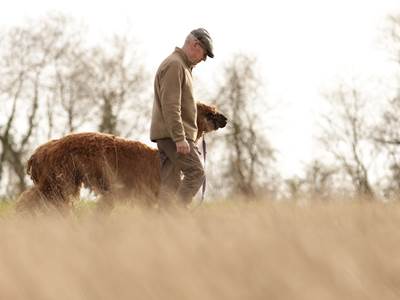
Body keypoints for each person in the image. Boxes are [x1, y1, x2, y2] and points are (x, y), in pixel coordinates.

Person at [150, 28, 214, 207]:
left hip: (169, 135)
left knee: (169, 186)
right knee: (196, 173)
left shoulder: (181, 66)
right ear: (195, 45)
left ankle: (162, 228)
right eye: (204, 54)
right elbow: (171, 106)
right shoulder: (175, 65)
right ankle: (174, 216)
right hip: (174, 136)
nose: (203, 59)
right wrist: (180, 138)